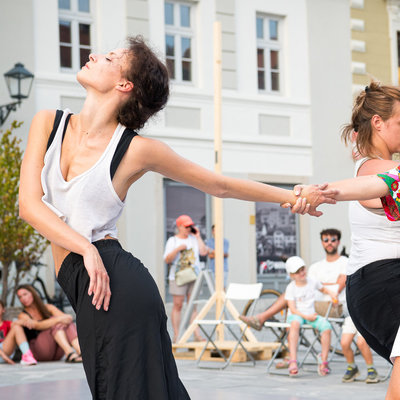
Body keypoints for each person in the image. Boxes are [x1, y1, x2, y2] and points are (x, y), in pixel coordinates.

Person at [18, 34, 337, 399]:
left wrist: (293, 196)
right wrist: (85, 249)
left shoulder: (135, 150)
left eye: (109, 57)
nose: (92, 54)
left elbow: (218, 184)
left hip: (114, 285)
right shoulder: (47, 124)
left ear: (125, 84)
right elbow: (29, 206)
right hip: (88, 273)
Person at [308, 228, 379, 384]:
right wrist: (329, 285)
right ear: (322, 242)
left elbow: (338, 286)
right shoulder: (315, 267)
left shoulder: (347, 263)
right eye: (326, 240)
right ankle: (352, 367)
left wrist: (322, 286)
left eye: (333, 239)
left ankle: (371, 369)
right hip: (322, 307)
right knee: (345, 343)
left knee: (361, 342)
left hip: (342, 307)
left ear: (338, 242)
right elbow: (308, 286)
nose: (329, 243)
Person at [284, 256, 336, 376]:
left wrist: (332, 293)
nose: (301, 273)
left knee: (326, 327)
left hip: (311, 314)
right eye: (297, 272)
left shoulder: (312, 281)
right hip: (297, 315)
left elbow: (323, 289)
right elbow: (292, 309)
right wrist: (306, 317)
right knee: (295, 324)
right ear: (292, 275)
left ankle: (323, 360)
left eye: (302, 269)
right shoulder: (291, 287)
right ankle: (293, 360)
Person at [163, 214, 207, 343]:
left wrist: (198, 236)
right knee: (178, 305)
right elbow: (167, 259)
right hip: (178, 277)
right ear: (179, 226)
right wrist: (177, 249)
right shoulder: (173, 241)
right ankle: (177, 335)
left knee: (193, 305)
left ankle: (196, 335)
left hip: (194, 276)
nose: (189, 228)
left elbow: (203, 252)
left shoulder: (193, 239)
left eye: (191, 226)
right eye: (187, 226)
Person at [14, 285, 82, 363]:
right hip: (40, 351)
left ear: (33, 293)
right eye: (20, 297)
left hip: (56, 353)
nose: (23, 298)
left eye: (25, 294)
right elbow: (37, 325)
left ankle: (81, 352)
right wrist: (57, 320)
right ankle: (70, 353)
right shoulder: (23, 315)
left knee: (66, 324)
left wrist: (59, 320)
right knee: (56, 322)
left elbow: (68, 318)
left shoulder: (48, 307)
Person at [0, 299, 37, 365]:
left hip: (5, 349)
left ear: (3, 310)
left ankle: (27, 355)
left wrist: (27, 321)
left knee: (17, 327)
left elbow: (18, 323)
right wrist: (4, 356)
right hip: (2, 354)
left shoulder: (6, 324)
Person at [205, 224, 229, 289]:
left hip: (223, 268)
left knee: (222, 288)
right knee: (214, 288)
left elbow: (225, 254)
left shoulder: (225, 241)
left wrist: (211, 250)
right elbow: (210, 256)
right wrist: (219, 253)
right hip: (213, 268)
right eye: (215, 230)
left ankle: (223, 300)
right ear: (212, 231)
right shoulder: (209, 242)